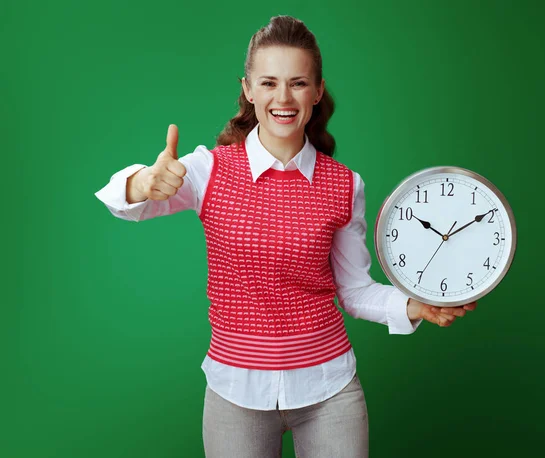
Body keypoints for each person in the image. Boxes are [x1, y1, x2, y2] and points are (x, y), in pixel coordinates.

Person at [95, 15, 477, 458]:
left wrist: (413, 305)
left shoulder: (344, 184)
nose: (283, 97)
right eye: (269, 82)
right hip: (234, 391)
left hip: (330, 389)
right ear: (248, 89)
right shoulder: (208, 170)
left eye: (297, 83)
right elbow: (121, 201)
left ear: (317, 91)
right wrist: (140, 183)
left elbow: (353, 292)